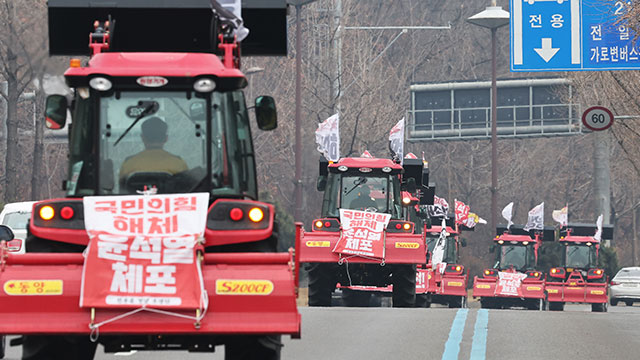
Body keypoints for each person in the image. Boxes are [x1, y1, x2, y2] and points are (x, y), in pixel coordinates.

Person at [119, 116, 188, 182]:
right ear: (166, 138)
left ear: (142, 138)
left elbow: (122, 191)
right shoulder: (178, 163)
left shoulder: (129, 164)